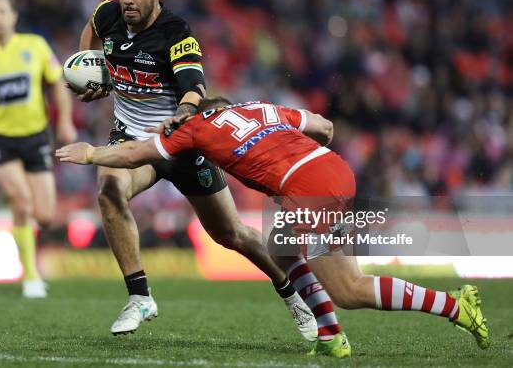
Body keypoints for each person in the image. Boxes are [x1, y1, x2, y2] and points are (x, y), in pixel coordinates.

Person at [56, 97, 490, 357]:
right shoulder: (261, 107)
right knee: (280, 249)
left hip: (310, 189)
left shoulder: (195, 130)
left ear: (201, 114)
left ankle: (454, 307)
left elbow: (134, 154)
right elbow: (325, 127)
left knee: (350, 289)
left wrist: (92, 153)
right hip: (330, 170)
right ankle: (331, 337)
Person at [72, 0, 316, 338]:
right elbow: (91, 27)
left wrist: (181, 114)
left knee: (232, 235)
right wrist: (88, 66)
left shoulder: (177, 34)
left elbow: (195, 89)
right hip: (132, 139)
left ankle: (290, 292)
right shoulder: (108, 15)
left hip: (181, 144)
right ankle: (139, 296)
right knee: (108, 188)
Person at [0, 0, 77, 298]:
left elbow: (58, 83)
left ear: (13, 16)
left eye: (1, 11)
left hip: (35, 136)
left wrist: (64, 122)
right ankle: (31, 276)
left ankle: (31, 257)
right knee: (21, 202)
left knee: (46, 216)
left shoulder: (35, 47)